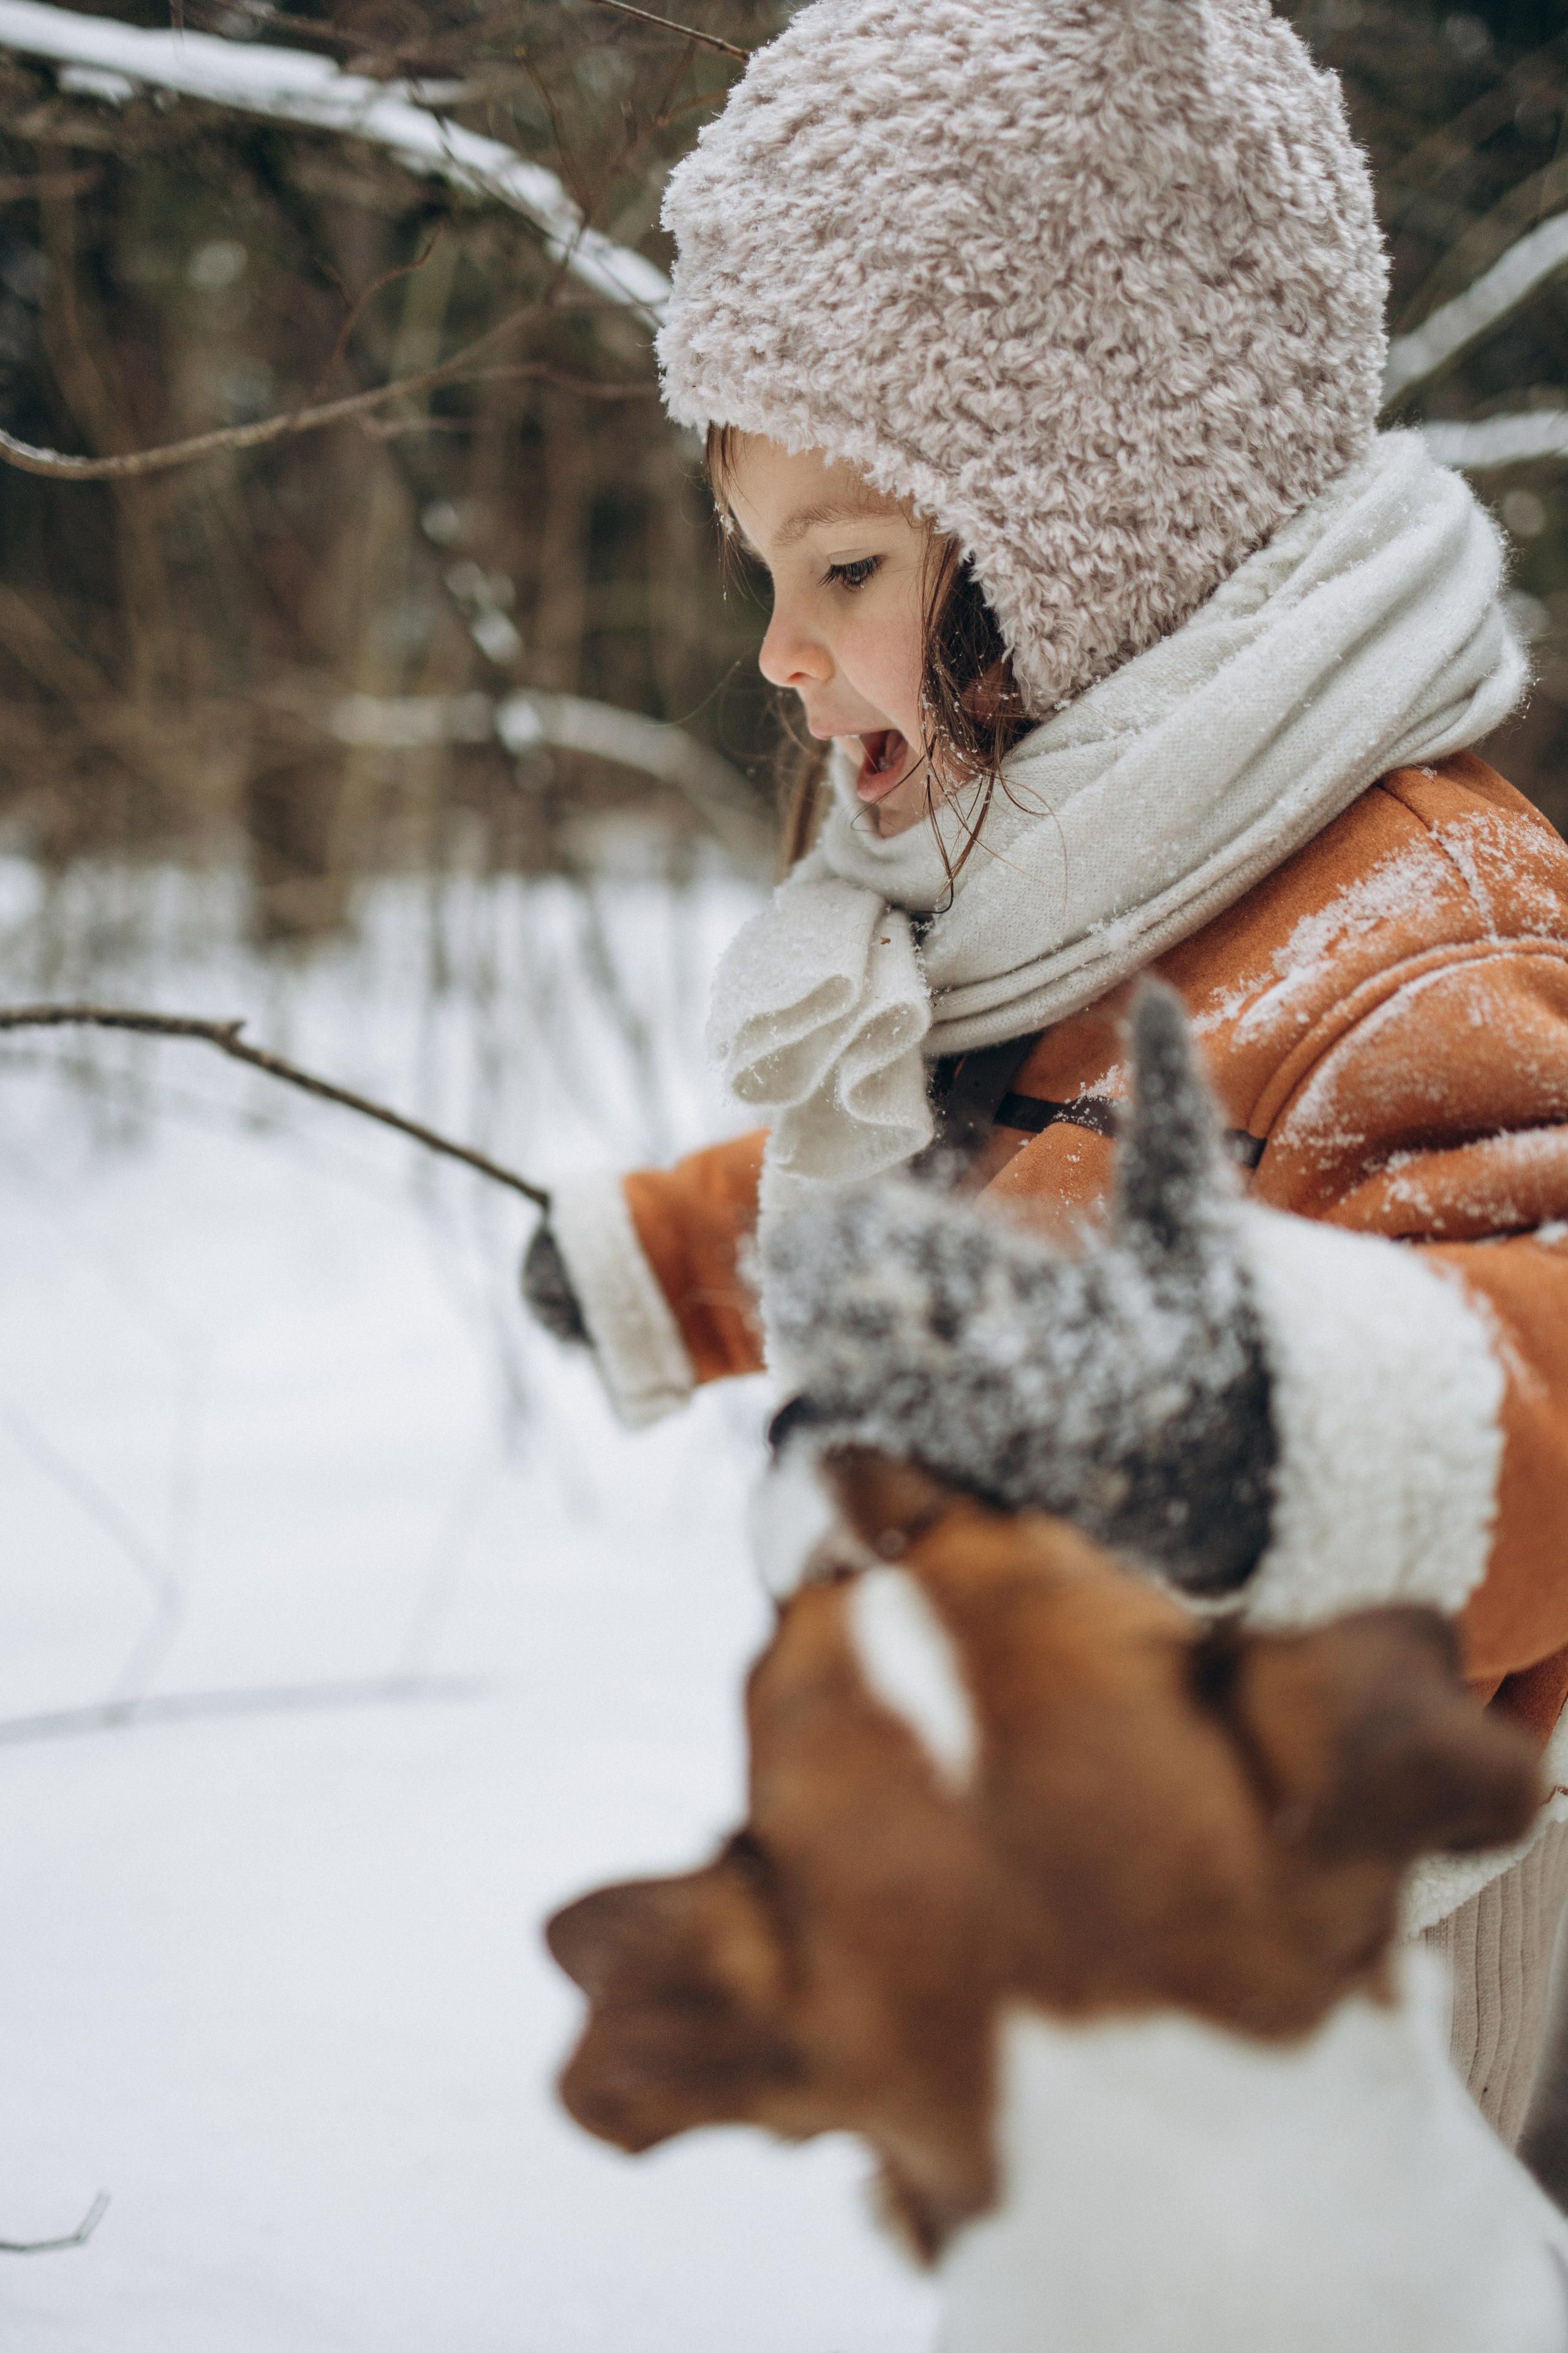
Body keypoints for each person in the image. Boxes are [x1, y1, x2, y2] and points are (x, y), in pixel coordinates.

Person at [523, 0, 1568, 2150]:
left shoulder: (1421, 918)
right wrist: (683, 1255)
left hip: (1347, 1958)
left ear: (1099, 528)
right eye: (765, 573)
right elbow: (977, 1185)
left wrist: (1258, 1415)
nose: (778, 650)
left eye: (846, 566)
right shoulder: (1069, 883)